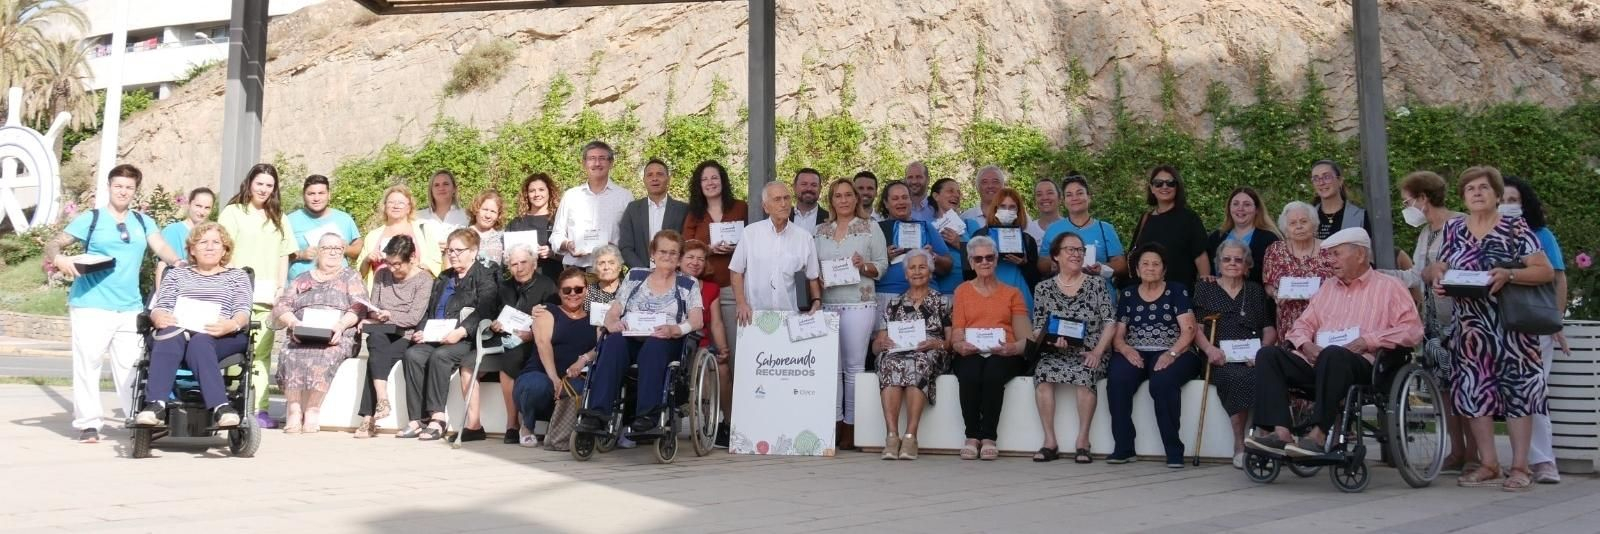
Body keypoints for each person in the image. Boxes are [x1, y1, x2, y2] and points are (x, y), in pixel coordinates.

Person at [1247, 228, 1423, 463]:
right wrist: (1306, 345)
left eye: (1336, 254)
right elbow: (1301, 325)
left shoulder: (1390, 286)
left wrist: (1368, 340)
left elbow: (1412, 330)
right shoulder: (1327, 288)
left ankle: (1318, 436)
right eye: (1329, 255)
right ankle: (1280, 433)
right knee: (1268, 355)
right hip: (1318, 361)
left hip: (1362, 365)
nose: (1330, 261)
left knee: (1334, 354)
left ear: (1360, 254)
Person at [1433, 167, 1555, 491]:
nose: (1476, 192)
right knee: (1474, 391)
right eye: (1470, 188)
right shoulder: (1454, 229)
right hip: (1469, 327)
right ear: (1463, 197)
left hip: (1511, 327)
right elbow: (1440, 265)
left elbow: (1544, 271)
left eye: (1483, 187)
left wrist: (1510, 275)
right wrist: (1438, 276)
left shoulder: (1515, 227)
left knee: (1518, 393)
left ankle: (1520, 467)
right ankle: (1489, 464)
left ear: (1497, 195)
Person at [48, 164, 186, 443]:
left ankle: (136, 418)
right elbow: (54, 243)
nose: (123, 191)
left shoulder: (142, 222)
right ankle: (89, 424)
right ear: (109, 187)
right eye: (118, 186)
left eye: (129, 187)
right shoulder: (92, 219)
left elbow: (160, 246)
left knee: (132, 365)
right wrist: (59, 258)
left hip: (129, 306)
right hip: (91, 304)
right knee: (89, 364)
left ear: (135, 191)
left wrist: (177, 261)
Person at [578, 231, 704, 436]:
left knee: (653, 347)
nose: (668, 256)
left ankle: (648, 415)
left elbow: (697, 320)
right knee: (613, 343)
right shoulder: (635, 276)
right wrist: (612, 323)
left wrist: (675, 329)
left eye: (673, 253)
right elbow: (614, 311)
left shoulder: (688, 283)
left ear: (680, 257)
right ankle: (596, 414)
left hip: (666, 340)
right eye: (662, 251)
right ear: (652, 253)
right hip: (631, 336)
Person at [133, 222, 250, 429]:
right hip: (179, 331)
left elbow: (243, 311)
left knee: (201, 342)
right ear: (192, 250)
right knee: (169, 333)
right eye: (203, 242)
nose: (210, 247)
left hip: (222, 335)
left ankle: (221, 407)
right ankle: (156, 405)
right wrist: (158, 317)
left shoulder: (237, 276)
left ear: (225, 249)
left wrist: (232, 324)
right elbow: (161, 306)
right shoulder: (176, 274)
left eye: (216, 242)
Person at [401, 229, 502, 441]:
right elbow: (429, 310)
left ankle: (437, 419)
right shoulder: (444, 277)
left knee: (441, 356)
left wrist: (461, 331)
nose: (453, 255)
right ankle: (417, 419)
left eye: (458, 250)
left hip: (465, 338)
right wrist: (421, 330)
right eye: (450, 250)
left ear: (473, 251)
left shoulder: (485, 276)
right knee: (413, 355)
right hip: (436, 335)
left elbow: (486, 308)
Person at [1399, 171, 1470, 473]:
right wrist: (1380, 276)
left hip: (1462, 319)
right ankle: (1457, 450)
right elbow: (1416, 275)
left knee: (1466, 387)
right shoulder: (1426, 232)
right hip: (1434, 324)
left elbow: (1467, 265)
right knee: (1443, 389)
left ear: (1423, 198)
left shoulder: (1461, 224)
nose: (1405, 208)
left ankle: (1477, 454)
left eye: (1407, 202)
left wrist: (1437, 272)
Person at [217, 163, 297, 429]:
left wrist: (281, 287)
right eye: (259, 183)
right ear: (250, 183)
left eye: (269, 185)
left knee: (261, 354)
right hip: (237, 292)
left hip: (266, 296)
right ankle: (230, 404)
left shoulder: (279, 217)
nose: (263, 189)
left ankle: (260, 409)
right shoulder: (233, 212)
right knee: (233, 351)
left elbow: (284, 253)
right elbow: (224, 249)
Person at [1108, 244, 1202, 467]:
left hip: (1176, 350)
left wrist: (1171, 353)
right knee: (1118, 380)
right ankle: (1124, 448)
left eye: (1156, 264)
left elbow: (1189, 330)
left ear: (1164, 269)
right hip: (1135, 350)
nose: (1150, 268)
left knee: (1163, 381)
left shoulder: (1176, 291)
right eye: (1145, 264)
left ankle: (1174, 451)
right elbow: (1118, 335)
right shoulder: (1128, 294)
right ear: (1137, 270)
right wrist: (1125, 349)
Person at [814, 178, 888, 450]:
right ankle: (833, 423)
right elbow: (813, 267)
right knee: (832, 368)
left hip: (860, 302)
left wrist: (863, 265)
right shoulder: (820, 230)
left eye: (848, 195)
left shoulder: (871, 227)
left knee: (854, 367)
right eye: (838, 195)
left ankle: (852, 426)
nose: (843, 200)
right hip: (828, 304)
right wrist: (818, 280)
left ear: (856, 198)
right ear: (831, 201)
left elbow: (882, 266)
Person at [1502, 175, 1567, 484]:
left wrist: (1555, 320)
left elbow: (1558, 277)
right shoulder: (1482, 234)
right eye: (1502, 200)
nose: (1507, 205)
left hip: (1533, 322)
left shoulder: (1541, 236)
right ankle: (1514, 461)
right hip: (1496, 324)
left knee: (1534, 390)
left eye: (1513, 200)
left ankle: (1542, 460)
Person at [1029, 232, 1115, 464]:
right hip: (1056, 351)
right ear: (1056, 255)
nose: (1077, 254)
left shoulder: (1097, 284)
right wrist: (1050, 340)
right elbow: (1037, 328)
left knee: (1086, 373)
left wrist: (1098, 352)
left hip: (1090, 350)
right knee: (1042, 373)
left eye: (1080, 250)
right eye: (1071, 249)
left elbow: (1110, 322)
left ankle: (1083, 442)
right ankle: (1050, 442)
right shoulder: (1043, 288)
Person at [1190, 239, 1277, 468]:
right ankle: (1240, 445)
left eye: (1239, 260)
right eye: (1227, 259)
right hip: (1220, 357)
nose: (1232, 263)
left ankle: (1263, 438)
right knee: (1236, 377)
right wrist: (1209, 349)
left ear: (1247, 265)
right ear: (1218, 263)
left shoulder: (1255, 291)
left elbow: (1269, 328)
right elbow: (1196, 328)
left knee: (1268, 376)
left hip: (1253, 357)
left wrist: (1262, 352)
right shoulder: (1205, 289)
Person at [273, 232, 368, 433]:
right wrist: (294, 323)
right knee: (290, 353)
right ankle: (294, 410)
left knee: (325, 355)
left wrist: (341, 325)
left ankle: (313, 410)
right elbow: (282, 305)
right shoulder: (302, 278)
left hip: (337, 334)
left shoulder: (351, 277)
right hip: (302, 332)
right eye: (327, 248)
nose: (333, 253)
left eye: (338, 249)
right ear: (318, 251)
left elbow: (359, 306)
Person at [949, 235, 1031, 461]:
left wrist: (1012, 348)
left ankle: (988, 437)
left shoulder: (1012, 293)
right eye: (978, 259)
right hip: (971, 350)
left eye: (989, 257)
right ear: (971, 262)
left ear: (996, 259)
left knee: (993, 373)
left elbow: (1026, 338)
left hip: (1004, 352)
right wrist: (959, 345)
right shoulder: (962, 291)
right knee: (969, 374)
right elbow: (957, 330)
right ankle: (971, 436)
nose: (984, 262)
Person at [869, 249, 950, 460]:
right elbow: (876, 347)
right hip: (897, 351)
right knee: (887, 362)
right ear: (906, 274)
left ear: (930, 272)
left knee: (919, 361)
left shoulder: (942, 302)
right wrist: (882, 343)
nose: (917, 272)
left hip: (930, 351)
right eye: (912, 268)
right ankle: (892, 436)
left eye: (922, 267)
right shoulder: (894, 304)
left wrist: (936, 343)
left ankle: (911, 436)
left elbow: (950, 342)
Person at [355, 235, 433, 439]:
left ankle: (368, 418)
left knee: (376, 356)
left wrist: (389, 315)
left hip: (405, 334)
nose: (392, 269)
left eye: (397, 264)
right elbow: (373, 307)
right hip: (382, 330)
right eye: (389, 263)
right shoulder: (381, 274)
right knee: (377, 340)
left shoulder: (424, 280)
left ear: (412, 258)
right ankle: (382, 399)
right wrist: (376, 316)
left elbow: (414, 317)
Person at [513, 268, 597, 448]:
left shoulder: (594, 319)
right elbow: (543, 343)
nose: (573, 294)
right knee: (536, 385)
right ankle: (527, 426)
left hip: (574, 377)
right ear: (559, 292)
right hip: (541, 374)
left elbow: (599, 347)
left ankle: (560, 432)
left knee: (579, 388)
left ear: (586, 290)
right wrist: (554, 379)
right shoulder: (547, 311)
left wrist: (584, 359)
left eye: (578, 289)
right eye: (567, 290)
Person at [486, 245, 558, 445]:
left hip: (536, 342)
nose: (519, 268)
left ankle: (513, 424)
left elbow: (554, 318)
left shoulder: (547, 285)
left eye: (524, 262)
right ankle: (509, 423)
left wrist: (532, 334)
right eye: (514, 264)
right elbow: (493, 314)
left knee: (511, 360)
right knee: (476, 362)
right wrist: (495, 324)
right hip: (505, 339)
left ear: (534, 263)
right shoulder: (504, 287)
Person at [730, 182, 823, 323]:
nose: (783, 204)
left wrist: (816, 301)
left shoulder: (804, 237)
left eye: (786, 198)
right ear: (765, 207)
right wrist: (741, 303)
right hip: (755, 316)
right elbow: (736, 271)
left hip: (791, 316)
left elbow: (812, 277)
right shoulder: (750, 233)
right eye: (777, 199)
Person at [683, 160, 748, 359]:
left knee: (734, 344)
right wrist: (708, 249)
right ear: (699, 185)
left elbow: (753, 241)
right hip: (703, 289)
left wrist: (738, 248)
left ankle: (735, 380)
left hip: (731, 287)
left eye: (714, 178)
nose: (710, 182)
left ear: (723, 181)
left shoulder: (740, 208)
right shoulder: (694, 214)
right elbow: (686, 248)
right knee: (708, 348)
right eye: (704, 179)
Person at [876, 181, 954, 336]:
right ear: (886, 203)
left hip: (926, 295)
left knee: (927, 343)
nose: (901, 202)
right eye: (895, 198)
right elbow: (866, 267)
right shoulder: (877, 229)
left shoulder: (926, 227)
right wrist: (884, 257)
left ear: (911, 201)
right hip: (888, 294)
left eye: (905, 197)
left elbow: (948, 265)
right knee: (887, 344)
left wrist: (933, 257)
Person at [679, 240, 732, 446]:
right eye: (690, 257)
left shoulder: (711, 288)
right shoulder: (669, 283)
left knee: (722, 368)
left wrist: (723, 348)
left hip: (702, 343)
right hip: (676, 341)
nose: (696, 262)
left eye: (700, 259)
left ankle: (727, 424)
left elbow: (716, 322)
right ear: (679, 260)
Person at [549, 141, 634, 268]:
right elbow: (556, 235)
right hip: (575, 272)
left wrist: (615, 247)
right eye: (592, 158)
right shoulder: (571, 196)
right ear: (584, 163)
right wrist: (567, 245)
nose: (597, 163)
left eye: (602, 158)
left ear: (611, 163)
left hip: (610, 271)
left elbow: (632, 238)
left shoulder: (624, 197)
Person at [1126, 166, 1209, 288]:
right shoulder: (1146, 218)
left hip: (1179, 292)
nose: (1164, 187)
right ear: (1152, 188)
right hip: (1145, 292)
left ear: (1177, 187)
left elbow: (1201, 256)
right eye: (1158, 183)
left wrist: (1205, 289)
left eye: (1170, 183)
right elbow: (1135, 254)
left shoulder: (1189, 218)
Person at [1038, 174, 1126, 285]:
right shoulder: (1053, 229)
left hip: (1100, 292)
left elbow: (1121, 265)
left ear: (1089, 197)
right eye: (1069, 195)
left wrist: (1102, 268)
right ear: (1064, 201)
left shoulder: (1105, 228)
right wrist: (1053, 264)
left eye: (1079, 193)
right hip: (1063, 293)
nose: (1074, 198)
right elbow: (1041, 263)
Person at [1262, 201, 1334, 335]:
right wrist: (1276, 293)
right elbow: (1268, 284)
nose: (1299, 226)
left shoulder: (1329, 249)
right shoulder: (1275, 250)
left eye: (1304, 221)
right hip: (1288, 322)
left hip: (1324, 319)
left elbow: (1340, 283)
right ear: (1286, 229)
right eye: (1292, 223)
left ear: (1314, 224)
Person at [965, 187, 1040, 313]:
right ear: (995, 209)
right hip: (987, 296)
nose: (1007, 211)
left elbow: (1036, 278)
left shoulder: (1027, 240)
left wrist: (1024, 264)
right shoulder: (979, 236)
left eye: (1012, 207)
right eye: (1003, 206)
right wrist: (986, 259)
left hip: (1020, 297)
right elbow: (967, 272)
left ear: (1018, 210)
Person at [355, 185, 443, 285]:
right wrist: (367, 260)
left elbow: (436, 265)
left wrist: (417, 267)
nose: (395, 206)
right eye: (391, 202)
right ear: (385, 206)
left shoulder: (423, 230)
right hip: (380, 291)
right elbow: (359, 275)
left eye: (401, 203)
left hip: (416, 289)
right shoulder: (372, 236)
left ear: (409, 208)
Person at [286, 175, 361, 283]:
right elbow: (276, 253)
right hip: (301, 288)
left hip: (338, 286)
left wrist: (346, 249)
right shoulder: (289, 220)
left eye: (321, 193)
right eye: (311, 194)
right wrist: (301, 255)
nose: (316, 198)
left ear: (329, 195)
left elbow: (359, 248)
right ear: (303, 196)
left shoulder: (344, 219)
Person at [618, 159, 688, 270]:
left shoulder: (682, 209)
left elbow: (686, 245)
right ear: (644, 180)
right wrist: (643, 271)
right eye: (650, 175)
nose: (654, 178)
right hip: (640, 274)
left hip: (673, 274)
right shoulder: (633, 209)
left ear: (668, 179)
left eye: (660, 174)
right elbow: (625, 247)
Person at [1205, 187, 1280, 284]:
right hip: (1217, 293)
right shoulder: (1216, 237)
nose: (1240, 208)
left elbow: (1274, 277)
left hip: (1254, 293)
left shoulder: (1269, 239)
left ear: (1257, 209)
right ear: (1229, 208)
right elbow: (1210, 272)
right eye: (1235, 204)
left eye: (1247, 204)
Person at [506, 172, 563, 281]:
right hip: (522, 283)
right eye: (532, 191)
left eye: (541, 190)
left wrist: (552, 253)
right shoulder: (516, 223)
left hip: (553, 281)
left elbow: (571, 255)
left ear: (549, 191)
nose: (537, 194)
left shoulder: (559, 220)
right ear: (527, 194)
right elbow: (507, 257)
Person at [155, 187, 215, 287]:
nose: (202, 212)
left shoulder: (213, 233)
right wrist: (160, 294)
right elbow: (162, 265)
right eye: (198, 206)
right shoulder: (172, 231)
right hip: (177, 287)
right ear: (189, 204)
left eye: (207, 208)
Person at [1309, 160, 1370, 239]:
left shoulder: (1360, 216)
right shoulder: (1308, 217)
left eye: (1327, 177)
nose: (1321, 183)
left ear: (1340, 181)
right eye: (1316, 179)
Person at [928, 178, 967, 294]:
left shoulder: (970, 224)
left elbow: (985, 256)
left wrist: (959, 243)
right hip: (940, 292)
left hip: (969, 291)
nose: (956, 195)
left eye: (958, 192)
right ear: (936, 196)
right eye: (950, 191)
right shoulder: (927, 227)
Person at [418, 169, 470, 246]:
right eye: (436, 185)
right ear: (431, 190)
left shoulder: (467, 215)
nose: (441, 188)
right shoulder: (418, 217)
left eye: (446, 184)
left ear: (454, 189)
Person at [467, 190, 506, 265]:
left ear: (498, 215)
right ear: (476, 209)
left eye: (493, 211)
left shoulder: (502, 237)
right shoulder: (464, 235)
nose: (488, 215)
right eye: (485, 209)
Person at [790, 167, 829, 234]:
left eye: (814, 185)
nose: (809, 189)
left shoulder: (830, 219)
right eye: (804, 184)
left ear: (820, 189)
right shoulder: (783, 217)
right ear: (794, 187)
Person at [1027, 177, 1063, 242]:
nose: (1045, 198)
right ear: (1035, 201)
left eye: (1050, 193)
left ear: (1060, 198)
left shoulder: (1072, 228)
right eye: (1039, 194)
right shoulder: (1028, 231)